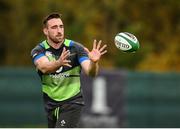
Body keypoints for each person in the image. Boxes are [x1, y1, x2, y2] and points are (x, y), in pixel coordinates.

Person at [31, 13, 107, 128]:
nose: (59, 30)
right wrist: (58, 63)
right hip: (51, 104)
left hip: (73, 102)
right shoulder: (39, 50)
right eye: (54, 27)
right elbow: (43, 67)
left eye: (61, 26)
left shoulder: (76, 48)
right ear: (45, 31)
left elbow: (91, 73)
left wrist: (94, 62)